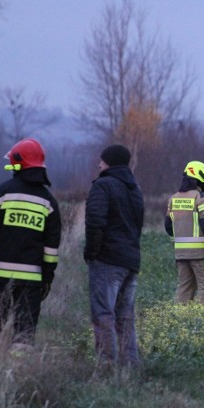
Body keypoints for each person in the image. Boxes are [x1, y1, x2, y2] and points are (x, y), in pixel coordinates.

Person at [0, 138, 61, 344]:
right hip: (31, 279)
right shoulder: (49, 202)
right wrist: (47, 278)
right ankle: (20, 368)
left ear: (17, 164)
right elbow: (51, 249)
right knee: (24, 333)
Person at [84, 144, 144, 366]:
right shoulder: (135, 189)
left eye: (101, 160)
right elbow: (137, 227)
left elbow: (95, 222)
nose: (99, 164)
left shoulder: (103, 185)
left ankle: (106, 366)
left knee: (103, 314)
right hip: (131, 261)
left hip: (107, 261)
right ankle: (130, 367)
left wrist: (92, 253)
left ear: (108, 162)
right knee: (125, 317)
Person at [164, 161, 204, 306]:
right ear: (199, 179)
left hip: (180, 254)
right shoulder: (201, 198)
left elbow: (168, 225)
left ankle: (180, 317)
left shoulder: (173, 198)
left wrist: (177, 242)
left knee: (184, 288)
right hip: (201, 254)